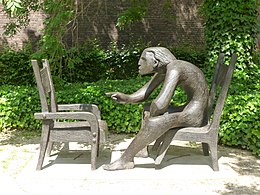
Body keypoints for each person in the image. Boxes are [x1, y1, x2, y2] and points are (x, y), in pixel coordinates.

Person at [103, 47, 209, 171]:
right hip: (190, 108)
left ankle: (125, 160)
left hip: (195, 114)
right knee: (148, 109)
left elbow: (161, 104)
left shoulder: (175, 68)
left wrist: (153, 119)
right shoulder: (166, 68)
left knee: (155, 121)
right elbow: (145, 92)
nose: (139, 63)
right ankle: (142, 149)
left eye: (143, 59)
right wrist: (127, 98)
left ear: (155, 62)